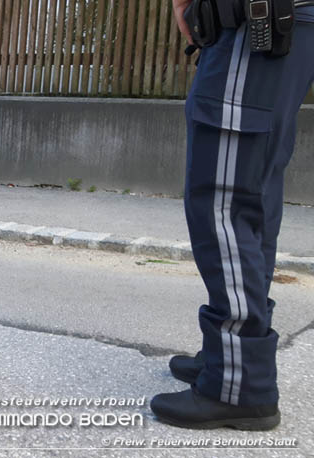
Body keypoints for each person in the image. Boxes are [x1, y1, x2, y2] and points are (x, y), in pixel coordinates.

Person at [150, 0, 314, 430]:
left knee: (225, 200)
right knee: (252, 194)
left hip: (253, 19)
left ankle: (238, 384)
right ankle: (232, 357)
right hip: (279, 20)